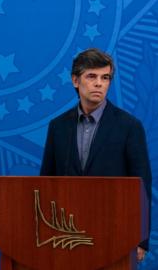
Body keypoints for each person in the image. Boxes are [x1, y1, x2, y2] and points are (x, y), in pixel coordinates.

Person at [40, 48, 152, 262]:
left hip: (115, 234)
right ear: (75, 80)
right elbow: (46, 181)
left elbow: (142, 185)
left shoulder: (129, 127)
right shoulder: (58, 127)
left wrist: (141, 239)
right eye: (91, 76)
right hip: (65, 235)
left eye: (105, 77)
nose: (99, 83)